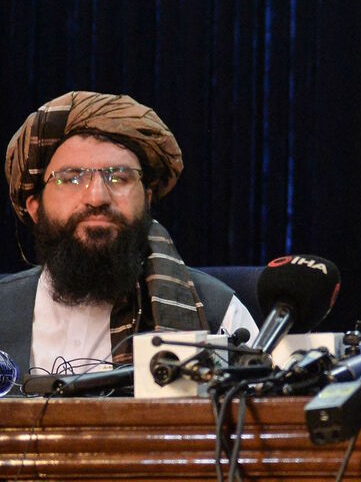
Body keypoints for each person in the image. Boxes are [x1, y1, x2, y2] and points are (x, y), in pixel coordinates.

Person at [0, 92, 258, 380]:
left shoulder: (219, 315)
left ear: (146, 199)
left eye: (119, 177)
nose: (97, 197)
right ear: (35, 207)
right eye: (72, 178)